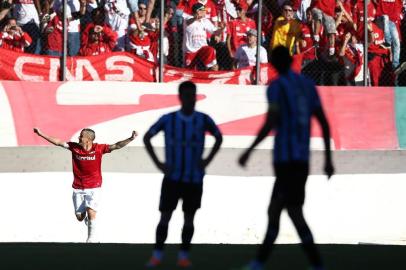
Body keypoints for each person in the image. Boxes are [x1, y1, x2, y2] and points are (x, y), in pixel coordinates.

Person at [238, 46, 334, 270]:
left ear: (273, 64)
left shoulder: (276, 87)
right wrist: (329, 159)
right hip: (302, 158)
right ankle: (313, 264)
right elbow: (324, 122)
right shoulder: (308, 85)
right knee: (290, 210)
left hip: (285, 157)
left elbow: (271, 121)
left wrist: (249, 150)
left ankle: (260, 263)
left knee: (282, 211)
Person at [143, 81, 223, 268]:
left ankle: (183, 256)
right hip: (172, 178)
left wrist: (207, 160)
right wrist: (158, 163)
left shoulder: (203, 119)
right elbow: (147, 137)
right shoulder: (168, 119)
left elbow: (219, 137)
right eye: (187, 96)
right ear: (181, 98)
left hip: (194, 179)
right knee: (165, 217)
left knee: (189, 218)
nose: (190, 99)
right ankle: (157, 255)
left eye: (193, 95)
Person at [33, 127, 137, 243]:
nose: (79, 138)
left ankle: (91, 239)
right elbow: (58, 142)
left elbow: (116, 146)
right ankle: (86, 219)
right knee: (79, 217)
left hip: (94, 186)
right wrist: (41, 134)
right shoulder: (74, 147)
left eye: (81, 136)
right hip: (78, 187)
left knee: (91, 210)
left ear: (88, 139)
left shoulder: (99, 148)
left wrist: (131, 138)